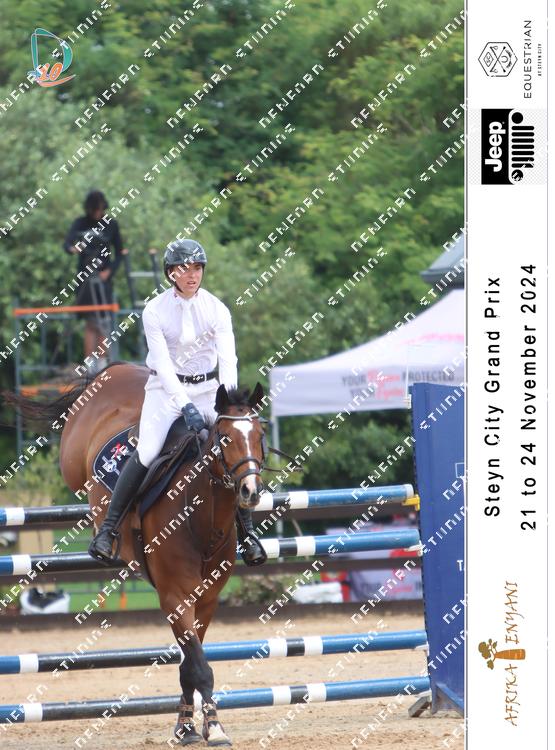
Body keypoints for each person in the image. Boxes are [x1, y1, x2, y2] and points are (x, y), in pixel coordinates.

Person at [88, 239, 267, 567]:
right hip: (164, 390)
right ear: (171, 273)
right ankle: (108, 530)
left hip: (209, 390)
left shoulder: (217, 309)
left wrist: (226, 402)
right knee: (147, 451)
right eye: (185, 269)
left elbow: (228, 360)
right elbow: (163, 365)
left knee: (231, 446)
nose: (192, 275)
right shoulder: (154, 311)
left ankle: (248, 534)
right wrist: (184, 405)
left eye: (197, 268)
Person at [64, 190, 127, 368]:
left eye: (99, 209)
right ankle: (89, 366)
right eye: (94, 209)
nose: (97, 213)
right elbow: (67, 245)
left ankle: (102, 364)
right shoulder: (80, 223)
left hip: (103, 279)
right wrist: (73, 248)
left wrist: (109, 272)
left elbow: (120, 253)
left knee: (104, 320)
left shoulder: (111, 224)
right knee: (90, 322)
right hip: (85, 278)